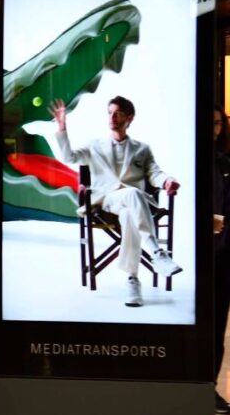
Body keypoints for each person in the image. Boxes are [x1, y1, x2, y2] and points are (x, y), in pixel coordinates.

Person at [50, 96, 181, 307]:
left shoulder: (142, 149)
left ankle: (132, 279)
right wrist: (62, 127)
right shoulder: (95, 145)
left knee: (130, 212)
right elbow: (69, 158)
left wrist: (167, 180)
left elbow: (155, 173)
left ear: (129, 118)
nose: (112, 117)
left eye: (118, 113)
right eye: (110, 112)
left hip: (131, 208)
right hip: (106, 201)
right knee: (133, 194)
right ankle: (156, 252)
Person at [213, 105, 230, 415]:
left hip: (224, 251)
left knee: (217, 325)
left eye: (216, 123)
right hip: (203, 253)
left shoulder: (225, 161)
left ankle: (208, 387)